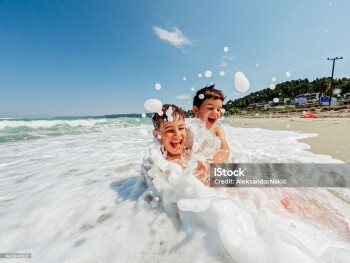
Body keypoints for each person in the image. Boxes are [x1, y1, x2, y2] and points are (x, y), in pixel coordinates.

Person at [190, 84, 230, 185]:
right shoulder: (191, 129)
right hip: (197, 165)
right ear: (196, 110)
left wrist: (212, 161)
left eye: (218, 109)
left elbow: (225, 149)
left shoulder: (217, 130)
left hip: (214, 164)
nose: (215, 112)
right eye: (210, 108)